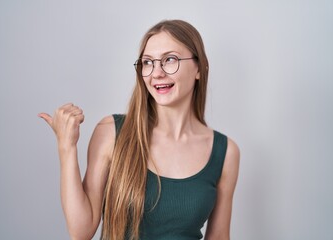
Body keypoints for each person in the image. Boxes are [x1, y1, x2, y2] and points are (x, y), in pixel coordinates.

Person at [39, 19, 240, 240]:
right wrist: (66, 147)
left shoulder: (225, 151)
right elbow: (81, 231)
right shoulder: (112, 132)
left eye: (169, 59)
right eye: (148, 62)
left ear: (199, 68)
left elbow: (219, 236)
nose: (157, 73)